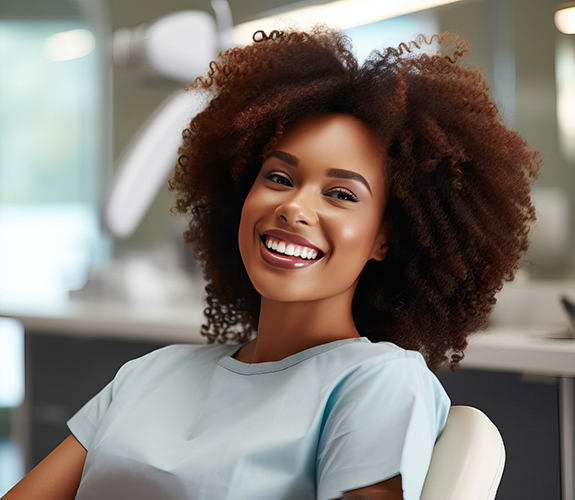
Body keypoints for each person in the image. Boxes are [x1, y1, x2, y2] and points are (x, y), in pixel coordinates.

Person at [2, 24, 540, 500]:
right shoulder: (148, 375)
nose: (294, 207)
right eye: (279, 178)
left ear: (386, 239)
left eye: (342, 194)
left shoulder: (378, 384)